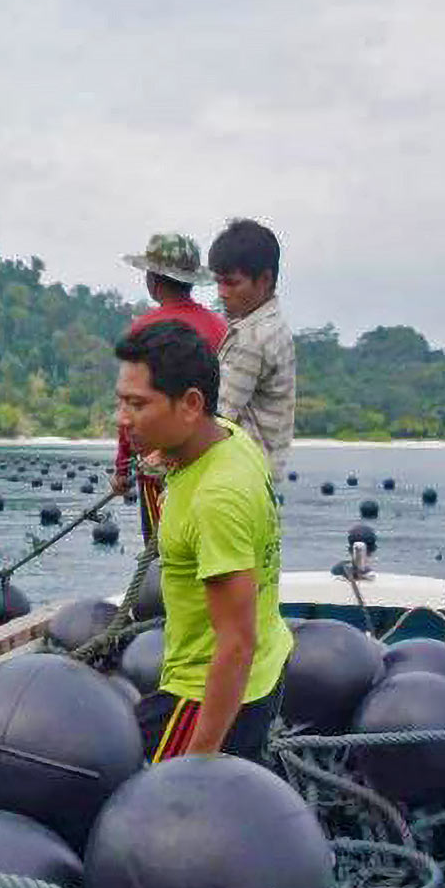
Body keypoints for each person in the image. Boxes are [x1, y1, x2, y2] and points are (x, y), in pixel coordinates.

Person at [113, 321, 291, 760]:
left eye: (138, 404)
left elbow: (235, 643)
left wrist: (197, 767)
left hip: (206, 695)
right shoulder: (232, 438)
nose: (122, 418)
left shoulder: (217, 500)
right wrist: (165, 455)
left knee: (131, 790)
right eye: (121, 401)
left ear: (191, 404)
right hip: (268, 665)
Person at [111, 232, 228, 540]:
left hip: (158, 459)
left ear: (153, 279)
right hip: (212, 455)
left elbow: (134, 407)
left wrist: (122, 469)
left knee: (164, 550)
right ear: (190, 280)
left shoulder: (145, 330)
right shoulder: (219, 327)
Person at [208, 218, 295, 477]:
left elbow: (217, 419)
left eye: (232, 283)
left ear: (265, 280)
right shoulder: (273, 325)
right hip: (260, 475)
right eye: (218, 282)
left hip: (239, 475)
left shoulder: (252, 338)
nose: (222, 292)